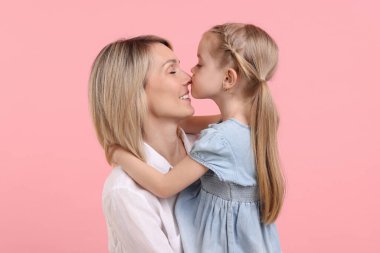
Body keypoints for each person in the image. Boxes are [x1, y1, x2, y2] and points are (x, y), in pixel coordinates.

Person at [113, 23, 286, 253]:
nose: (191, 73)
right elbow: (187, 123)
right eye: (173, 70)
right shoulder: (250, 123)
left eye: (200, 64)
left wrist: (117, 152)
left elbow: (164, 186)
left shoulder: (221, 139)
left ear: (228, 78)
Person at [88, 35, 219, 253]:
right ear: (134, 92)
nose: (188, 78)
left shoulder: (210, 146)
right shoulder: (126, 192)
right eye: (171, 71)